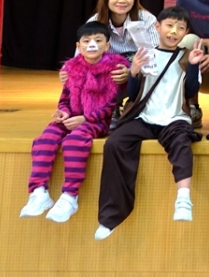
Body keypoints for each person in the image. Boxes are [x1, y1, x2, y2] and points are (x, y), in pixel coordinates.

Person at [95, 7, 205, 239]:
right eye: (169, 25)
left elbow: (190, 92)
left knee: (181, 142)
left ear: (186, 32)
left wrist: (194, 66)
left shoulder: (187, 57)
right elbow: (132, 94)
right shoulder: (145, 54)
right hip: (144, 117)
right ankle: (111, 217)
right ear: (157, 27)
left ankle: (183, 199)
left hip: (175, 117)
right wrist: (134, 72)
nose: (173, 31)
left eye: (180, 28)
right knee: (114, 144)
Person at [21, 21, 129, 223]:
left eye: (98, 40)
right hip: (71, 118)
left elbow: (111, 105)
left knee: (74, 141)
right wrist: (63, 112)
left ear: (107, 45)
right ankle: (38, 191)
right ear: (78, 46)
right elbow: (65, 98)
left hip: (95, 121)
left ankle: (70, 195)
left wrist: (85, 119)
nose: (92, 45)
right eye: (86, 41)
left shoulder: (114, 69)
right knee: (45, 139)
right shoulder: (72, 68)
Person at [86, 0, 159, 61]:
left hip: (141, 68)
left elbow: (156, 55)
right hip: (106, 68)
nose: (122, 0)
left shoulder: (147, 19)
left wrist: (132, 69)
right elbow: (83, 58)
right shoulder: (94, 22)